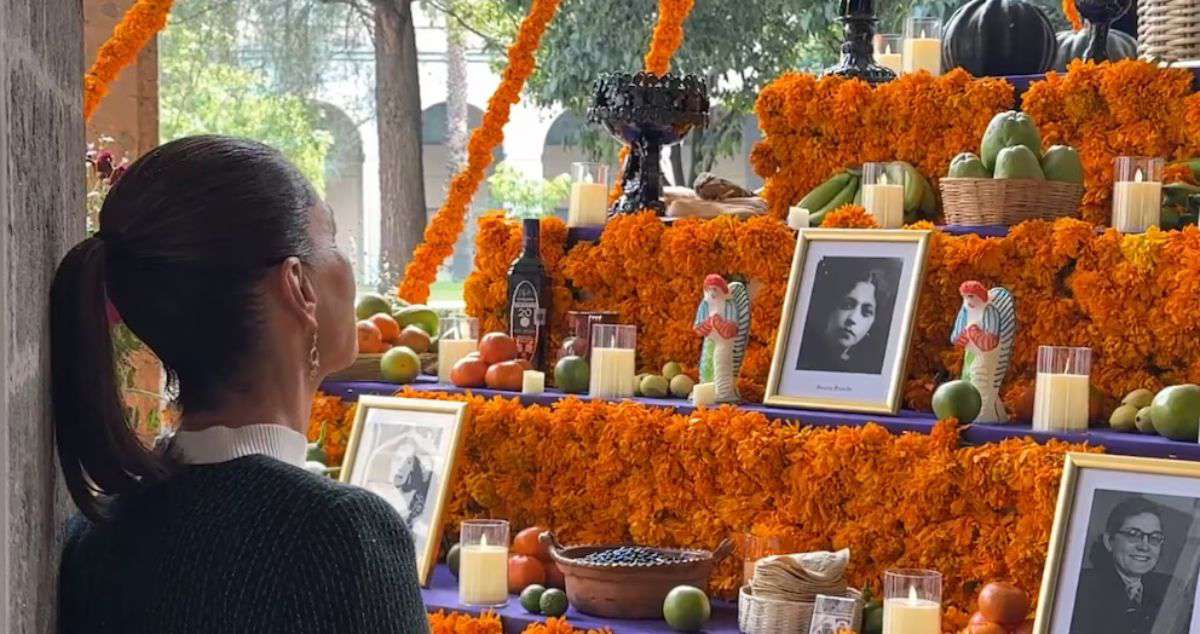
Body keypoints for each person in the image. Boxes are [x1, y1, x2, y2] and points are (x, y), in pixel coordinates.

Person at [54, 136, 430, 633]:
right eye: (333, 240)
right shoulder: (341, 535)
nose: (348, 266)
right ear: (298, 285)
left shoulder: (95, 533)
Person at [1070, 497, 1189, 634]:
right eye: (1133, 535)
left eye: (1154, 538)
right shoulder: (1081, 588)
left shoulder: (1171, 589)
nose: (1145, 546)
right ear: (1109, 541)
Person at [796, 258, 899, 374]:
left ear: (872, 322)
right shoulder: (801, 356)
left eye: (866, 312)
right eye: (847, 305)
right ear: (830, 305)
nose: (853, 319)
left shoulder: (867, 369)